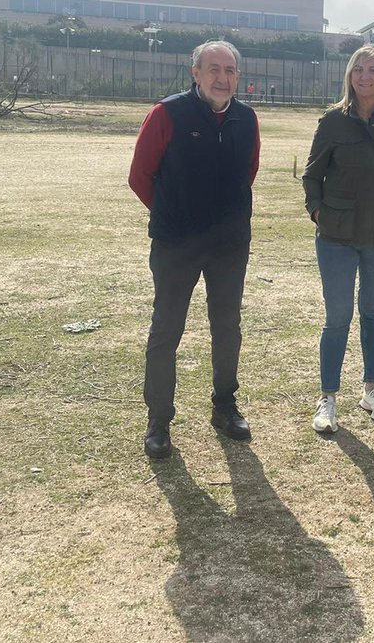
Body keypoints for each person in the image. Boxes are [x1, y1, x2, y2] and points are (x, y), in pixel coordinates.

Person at [128, 40, 260, 459]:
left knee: (227, 327)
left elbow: (248, 173)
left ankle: (224, 405)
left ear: (238, 77)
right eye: (214, 69)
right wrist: (177, 216)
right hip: (176, 244)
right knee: (167, 329)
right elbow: (140, 176)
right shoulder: (167, 114)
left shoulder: (246, 118)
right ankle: (159, 420)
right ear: (196, 74)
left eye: (230, 71)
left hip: (229, 244)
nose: (223, 78)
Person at [302, 46, 374, 433]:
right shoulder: (333, 121)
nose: (365, 77)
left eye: (373, 70)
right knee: (337, 317)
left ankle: (371, 390)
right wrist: (317, 211)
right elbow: (312, 176)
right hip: (336, 235)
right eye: (358, 70)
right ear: (349, 76)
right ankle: (328, 398)